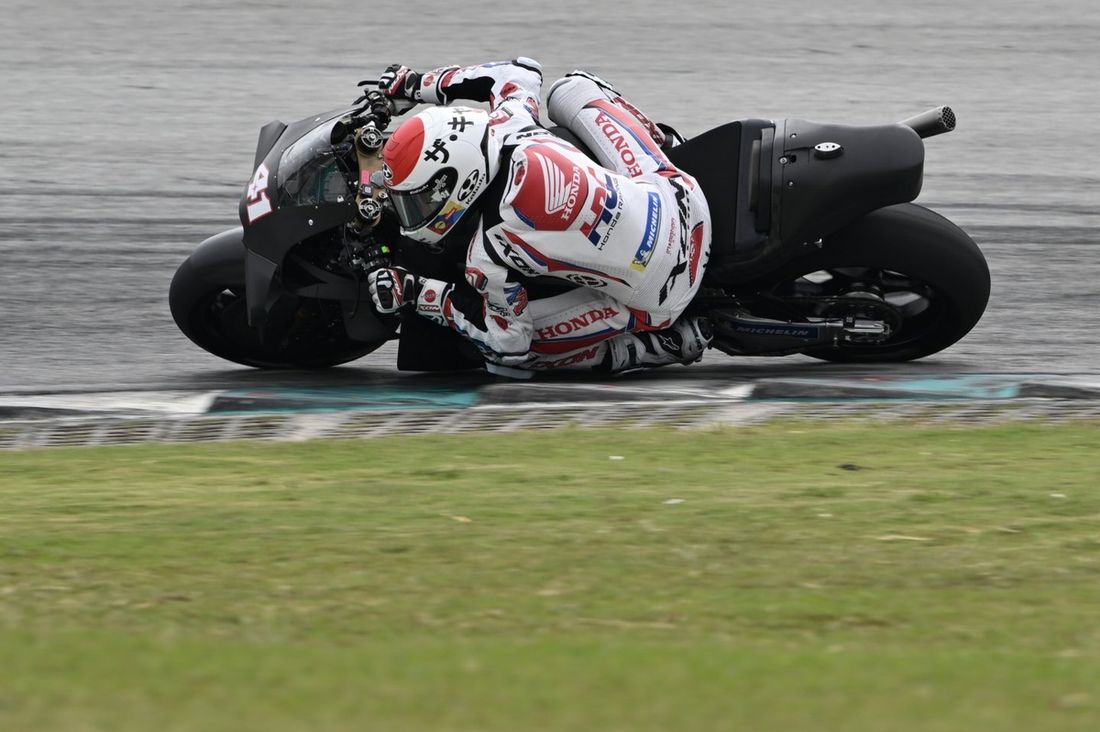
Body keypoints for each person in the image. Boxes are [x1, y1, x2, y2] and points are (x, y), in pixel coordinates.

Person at [366, 58, 712, 374]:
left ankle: (652, 347)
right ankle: (667, 144)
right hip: (681, 195)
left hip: (662, 294)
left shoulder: (488, 254)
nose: (411, 212)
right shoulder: (510, 121)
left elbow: (508, 343)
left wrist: (418, 293)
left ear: (464, 183)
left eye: (419, 200)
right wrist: (417, 84)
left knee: (506, 357)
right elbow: (522, 71)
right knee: (571, 88)